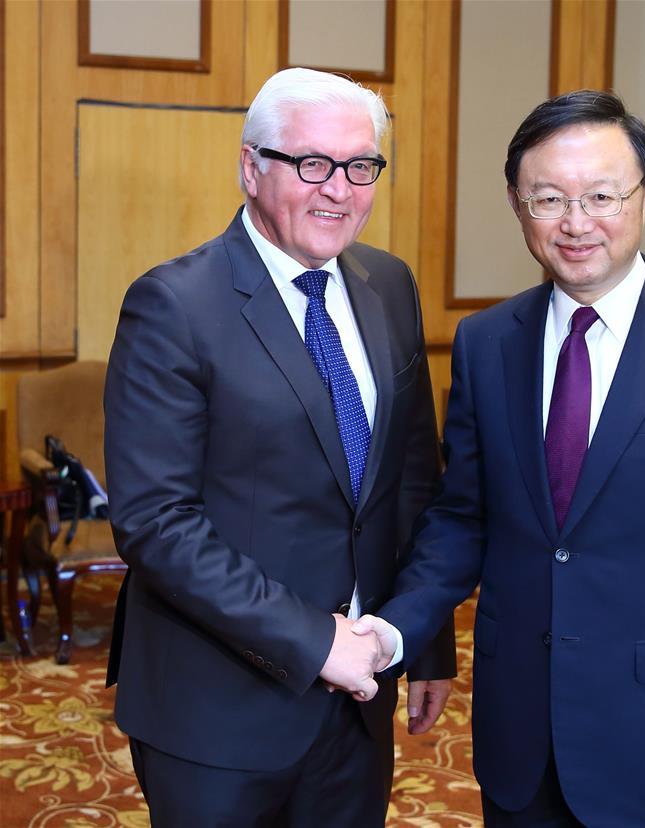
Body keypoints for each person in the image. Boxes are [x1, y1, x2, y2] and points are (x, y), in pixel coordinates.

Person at [355, 91, 645, 827]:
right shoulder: (486, 342)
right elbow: (463, 518)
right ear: (516, 204)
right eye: (548, 199)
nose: (575, 223)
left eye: (601, 196)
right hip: (519, 729)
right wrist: (397, 627)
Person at [103, 67, 455, 828]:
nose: (339, 190)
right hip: (217, 707)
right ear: (251, 166)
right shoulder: (173, 304)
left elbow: (412, 484)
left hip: (360, 699)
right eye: (312, 163)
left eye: (360, 166)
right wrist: (315, 640)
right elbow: (157, 522)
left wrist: (424, 643)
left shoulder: (389, 284)